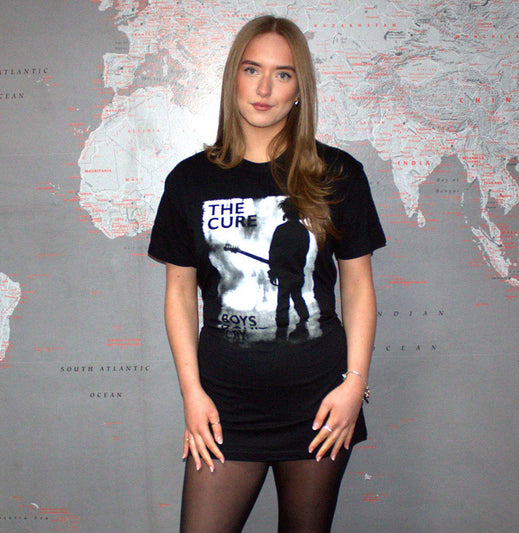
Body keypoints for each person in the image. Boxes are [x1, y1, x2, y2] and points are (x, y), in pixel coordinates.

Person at [148, 14, 386, 533]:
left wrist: (354, 385)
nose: (264, 89)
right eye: (252, 69)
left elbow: (358, 286)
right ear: (233, 76)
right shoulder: (189, 181)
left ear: (299, 89)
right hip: (224, 405)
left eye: (283, 74)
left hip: (319, 402)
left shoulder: (337, 174)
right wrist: (192, 393)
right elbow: (180, 295)